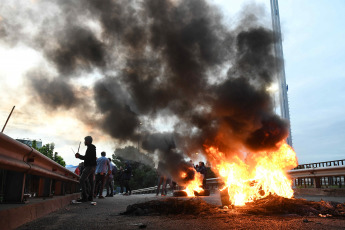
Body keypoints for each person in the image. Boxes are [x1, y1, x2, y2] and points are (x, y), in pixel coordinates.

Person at [75, 136, 97, 202]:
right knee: (91, 182)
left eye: (85, 141)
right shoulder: (92, 148)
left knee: (82, 180)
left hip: (89, 166)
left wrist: (79, 156)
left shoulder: (90, 148)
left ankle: (84, 197)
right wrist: (80, 156)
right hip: (93, 166)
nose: (84, 142)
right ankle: (90, 197)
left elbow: (87, 158)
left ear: (88, 141)